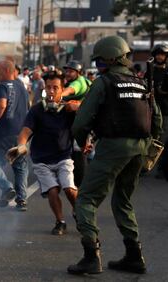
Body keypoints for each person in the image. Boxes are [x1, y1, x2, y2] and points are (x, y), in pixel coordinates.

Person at [67, 36, 162, 275]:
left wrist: (83, 144)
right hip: (140, 148)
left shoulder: (104, 82)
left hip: (113, 148)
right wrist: (149, 145)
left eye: (100, 61)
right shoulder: (141, 83)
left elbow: (80, 123)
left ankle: (91, 256)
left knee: (86, 200)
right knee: (123, 200)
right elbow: (157, 120)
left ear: (110, 59)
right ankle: (134, 256)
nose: (99, 65)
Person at [10, 71, 78, 235]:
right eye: (48, 88)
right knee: (53, 190)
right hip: (42, 160)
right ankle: (60, 221)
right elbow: (25, 132)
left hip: (63, 157)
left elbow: (91, 109)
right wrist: (20, 146)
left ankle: (81, 213)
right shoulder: (37, 110)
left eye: (56, 87)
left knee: (69, 188)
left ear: (62, 90)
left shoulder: (69, 109)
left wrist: (78, 106)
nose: (52, 91)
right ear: (44, 89)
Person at [0, 60, 29, 211]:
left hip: (4, 134)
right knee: (20, 167)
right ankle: (22, 200)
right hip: (21, 134)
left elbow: (2, 104)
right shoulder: (22, 87)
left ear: (5, 70)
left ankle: (6, 188)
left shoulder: (1, 87)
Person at [62, 60, 92, 188]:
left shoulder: (78, 83)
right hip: (85, 120)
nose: (67, 73)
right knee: (79, 150)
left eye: (71, 71)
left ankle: (79, 183)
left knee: (78, 152)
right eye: (66, 70)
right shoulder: (87, 81)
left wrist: (60, 95)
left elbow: (70, 90)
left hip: (78, 122)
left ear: (78, 72)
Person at [148, 44, 168, 179]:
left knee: (164, 138)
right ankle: (146, 164)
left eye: (163, 54)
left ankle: (162, 166)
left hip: (166, 110)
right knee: (152, 137)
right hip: (152, 109)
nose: (160, 56)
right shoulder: (150, 71)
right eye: (158, 54)